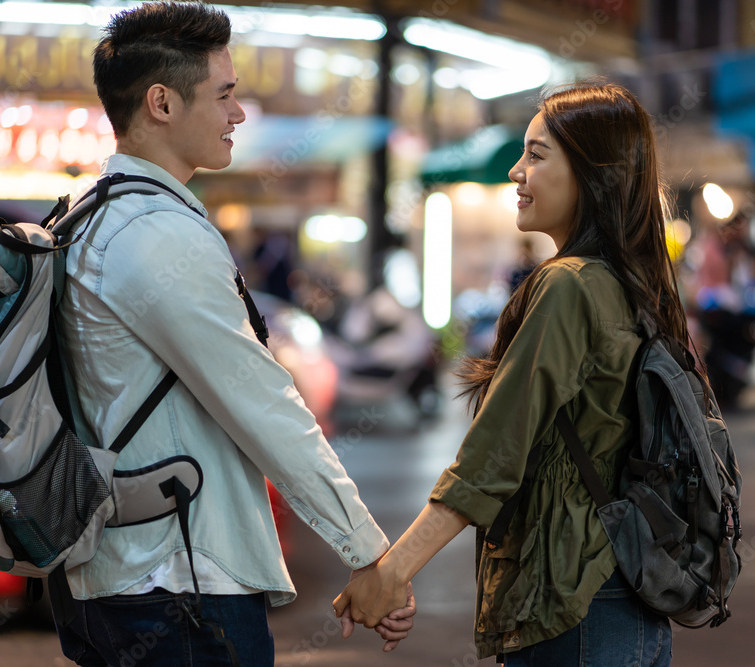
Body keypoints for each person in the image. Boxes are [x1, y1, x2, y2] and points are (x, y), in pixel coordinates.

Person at [54, 3, 413, 665]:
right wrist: (369, 551)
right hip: (179, 588)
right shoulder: (157, 236)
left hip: (113, 578)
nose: (238, 113)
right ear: (161, 102)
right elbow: (264, 404)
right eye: (224, 94)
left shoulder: (86, 218)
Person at [334, 83, 681, 666]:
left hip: (575, 607)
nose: (517, 172)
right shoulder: (637, 281)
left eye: (538, 154)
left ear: (592, 172)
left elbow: (492, 458)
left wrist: (391, 572)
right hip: (628, 596)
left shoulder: (569, 285)